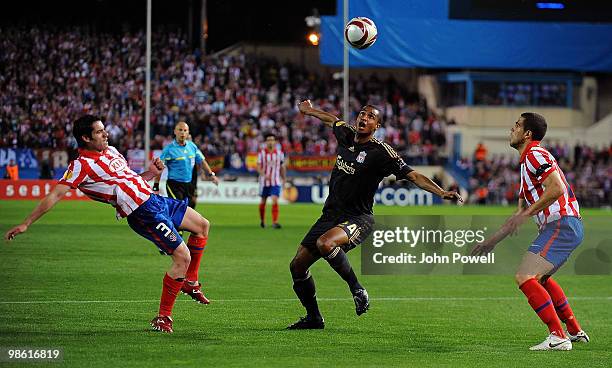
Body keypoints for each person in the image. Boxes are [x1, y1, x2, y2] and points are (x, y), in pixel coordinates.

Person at [4, 115, 212, 334]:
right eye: (99, 132)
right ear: (85, 138)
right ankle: (163, 317)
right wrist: (26, 223)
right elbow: (55, 194)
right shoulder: (80, 165)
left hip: (155, 200)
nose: (105, 134)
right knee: (183, 257)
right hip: (142, 212)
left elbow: (132, 180)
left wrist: (152, 173)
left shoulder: (112, 151)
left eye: (104, 130)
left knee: (202, 225)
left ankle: (190, 281)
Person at [287, 100, 463, 329]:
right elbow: (331, 119)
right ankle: (314, 318)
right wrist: (308, 111)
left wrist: (441, 192)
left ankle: (357, 289)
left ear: (377, 126)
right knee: (297, 266)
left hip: (358, 218)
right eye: (362, 114)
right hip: (330, 214)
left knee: (326, 244)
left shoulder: (381, 152)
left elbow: (413, 175)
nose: (364, 118)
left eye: (371, 117)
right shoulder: (346, 134)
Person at [472, 112, 588, 350]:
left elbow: (557, 187)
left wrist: (526, 215)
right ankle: (574, 330)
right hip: (565, 225)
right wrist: (490, 243)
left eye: (516, 125)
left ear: (527, 134)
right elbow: (517, 217)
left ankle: (558, 337)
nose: (511, 129)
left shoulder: (535, 154)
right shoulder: (527, 164)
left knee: (524, 276)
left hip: (561, 223)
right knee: (541, 279)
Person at [153, 121, 219, 210]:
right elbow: (159, 168)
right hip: (174, 185)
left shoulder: (192, 146)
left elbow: (202, 161)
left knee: (189, 211)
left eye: (185, 130)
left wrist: (211, 175)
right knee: (179, 210)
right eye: (180, 130)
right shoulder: (169, 150)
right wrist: (156, 186)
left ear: (188, 133)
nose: (182, 133)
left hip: (189, 184)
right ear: (175, 132)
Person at [257, 133, 286, 229]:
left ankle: (275, 222)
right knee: (263, 201)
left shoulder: (279, 153)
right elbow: (258, 166)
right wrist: (264, 175)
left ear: (275, 142)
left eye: (272, 140)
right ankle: (262, 221)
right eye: (268, 140)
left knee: (274, 200)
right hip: (264, 182)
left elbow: (282, 167)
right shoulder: (262, 153)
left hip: (276, 181)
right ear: (266, 142)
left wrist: (284, 178)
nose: (270, 141)